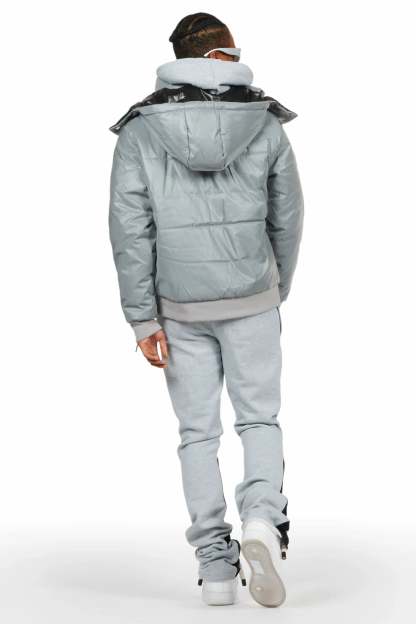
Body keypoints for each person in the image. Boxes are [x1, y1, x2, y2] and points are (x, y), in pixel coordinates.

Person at [108, 12, 304, 608]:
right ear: (222, 55)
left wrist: (142, 318)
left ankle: (216, 570)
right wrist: (273, 286)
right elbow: (288, 215)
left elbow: (129, 229)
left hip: (178, 306)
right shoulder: (263, 121)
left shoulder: (141, 129)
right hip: (252, 296)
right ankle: (262, 521)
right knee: (259, 420)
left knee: (198, 434)